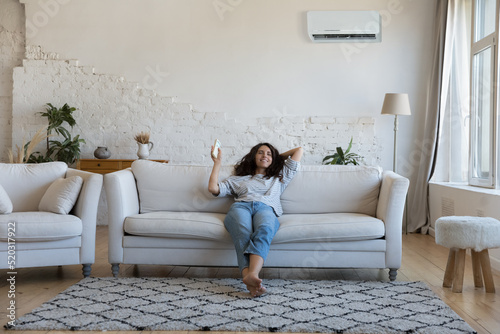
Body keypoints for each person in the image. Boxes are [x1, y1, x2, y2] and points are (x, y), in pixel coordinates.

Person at [208, 142, 303, 297]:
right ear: (253, 156)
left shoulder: (280, 177)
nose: (264, 156)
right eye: (260, 152)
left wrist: (277, 157)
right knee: (243, 232)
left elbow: (299, 151)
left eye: (268, 154)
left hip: (266, 208)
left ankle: (251, 275)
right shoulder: (238, 179)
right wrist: (217, 163)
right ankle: (251, 277)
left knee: (265, 229)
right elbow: (213, 188)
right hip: (241, 207)